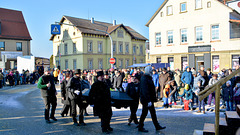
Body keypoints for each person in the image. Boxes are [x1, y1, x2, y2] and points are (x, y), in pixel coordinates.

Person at [138, 66, 166, 132]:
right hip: (146, 100)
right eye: (151, 70)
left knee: (152, 113)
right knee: (145, 113)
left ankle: (156, 126)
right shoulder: (145, 78)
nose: (152, 71)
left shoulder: (148, 78)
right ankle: (140, 126)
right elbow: (145, 91)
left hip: (148, 99)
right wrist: (148, 100)